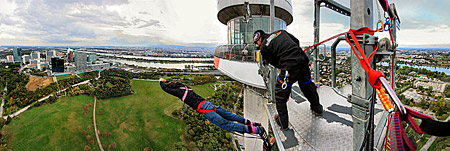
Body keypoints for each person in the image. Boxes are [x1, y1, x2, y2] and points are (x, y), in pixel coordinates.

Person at [159, 78, 273, 149]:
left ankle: (257, 131)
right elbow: (175, 83)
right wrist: (165, 81)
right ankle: (254, 124)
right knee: (231, 116)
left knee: (228, 125)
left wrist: (161, 82)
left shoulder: (179, 93)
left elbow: (165, 89)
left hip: (205, 110)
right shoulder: (184, 87)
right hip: (209, 104)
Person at [253, 30, 323, 130]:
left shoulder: (264, 47)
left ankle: (283, 123)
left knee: (280, 95)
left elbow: (275, 63)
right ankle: (317, 108)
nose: (258, 46)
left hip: (289, 68)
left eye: (257, 44)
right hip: (303, 60)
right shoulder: (280, 32)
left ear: (258, 38)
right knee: (307, 85)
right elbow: (296, 41)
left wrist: (285, 64)